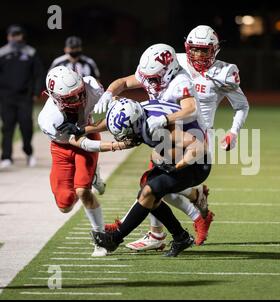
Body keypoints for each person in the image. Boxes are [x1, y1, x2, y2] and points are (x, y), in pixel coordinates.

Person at [94, 43, 214, 249]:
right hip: (163, 139)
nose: (149, 84)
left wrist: (165, 119)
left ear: (168, 72)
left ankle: (131, 236)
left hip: (184, 142)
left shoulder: (180, 81)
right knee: (149, 188)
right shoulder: (154, 73)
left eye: (153, 79)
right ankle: (174, 231)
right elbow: (123, 82)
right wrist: (109, 93)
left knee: (151, 189)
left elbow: (191, 110)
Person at [73, 97, 211, 257]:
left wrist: (177, 165)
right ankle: (181, 237)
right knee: (147, 190)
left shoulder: (156, 127)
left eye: (127, 133)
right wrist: (84, 130)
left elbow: (199, 147)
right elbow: (114, 120)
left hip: (196, 163)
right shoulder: (137, 111)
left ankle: (114, 239)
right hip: (176, 154)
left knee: (149, 192)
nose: (124, 138)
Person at [37, 66, 107, 256]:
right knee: (65, 204)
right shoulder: (49, 119)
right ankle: (93, 176)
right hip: (63, 148)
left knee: (82, 190)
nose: (79, 99)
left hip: (89, 134)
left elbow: (111, 114)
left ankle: (101, 238)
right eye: (71, 98)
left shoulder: (92, 86)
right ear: (55, 98)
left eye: (80, 93)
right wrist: (114, 146)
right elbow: (79, 143)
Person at [177, 25, 250, 152]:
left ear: (215, 50)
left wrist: (233, 132)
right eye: (194, 50)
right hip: (170, 132)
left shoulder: (223, 73)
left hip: (200, 136)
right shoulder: (176, 62)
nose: (199, 55)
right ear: (187, 48)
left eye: (204, 51)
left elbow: (242, 106)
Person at [0, 24, 44, 169]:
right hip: (6, 97)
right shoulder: (2, 53)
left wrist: (36, 92)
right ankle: (6, 157)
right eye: (13, 35)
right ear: (8, 36)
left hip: (25, 97)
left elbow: (38, 74)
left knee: (26, 126)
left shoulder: (30, 52)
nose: (15, 38)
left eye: (18, 35)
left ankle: (29, 152)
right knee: (7, 127)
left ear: (22, 36)